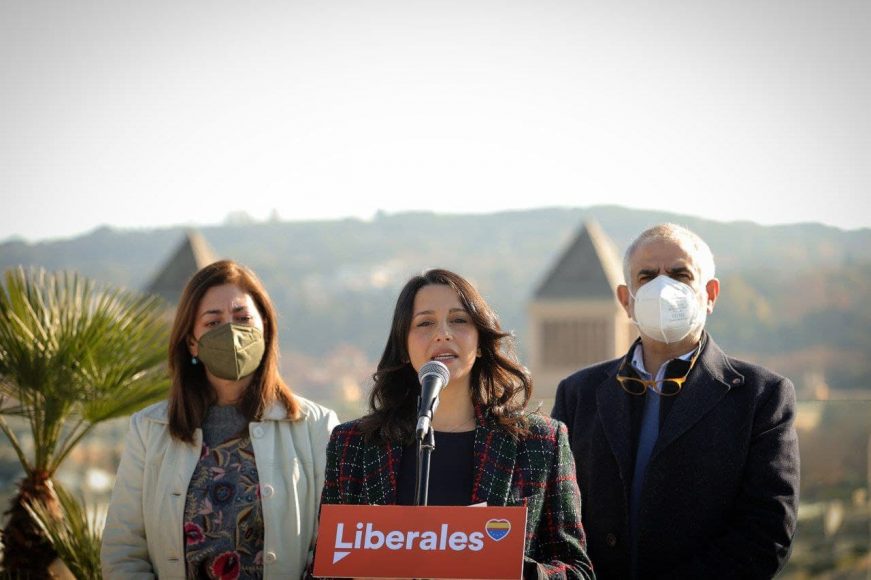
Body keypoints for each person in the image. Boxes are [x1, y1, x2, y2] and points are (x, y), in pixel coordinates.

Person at [552, 224, 800, 579]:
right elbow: (555, 515)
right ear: (626, 300)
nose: (662, 287)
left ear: (710, 294)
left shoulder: (761, 397)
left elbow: (766, 532)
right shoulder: (578, 394)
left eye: (680, 275)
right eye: (647, 276)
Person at [320, 268, 595, 579]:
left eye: (459, 320)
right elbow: (324, 568)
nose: (443, 333)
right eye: (425, 323)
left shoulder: (539, 442)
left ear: (480, 341)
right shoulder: (353, 444)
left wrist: (508, 567)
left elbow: (578, 571)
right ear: (404, 346)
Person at [102, 260, 339, 579]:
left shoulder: (316, 426)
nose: (231, 332)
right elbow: (123, 551)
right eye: (213, 322)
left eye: (242, 318)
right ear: (192, 342)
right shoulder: (149, 429)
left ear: (265, 327)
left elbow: (333, 546)